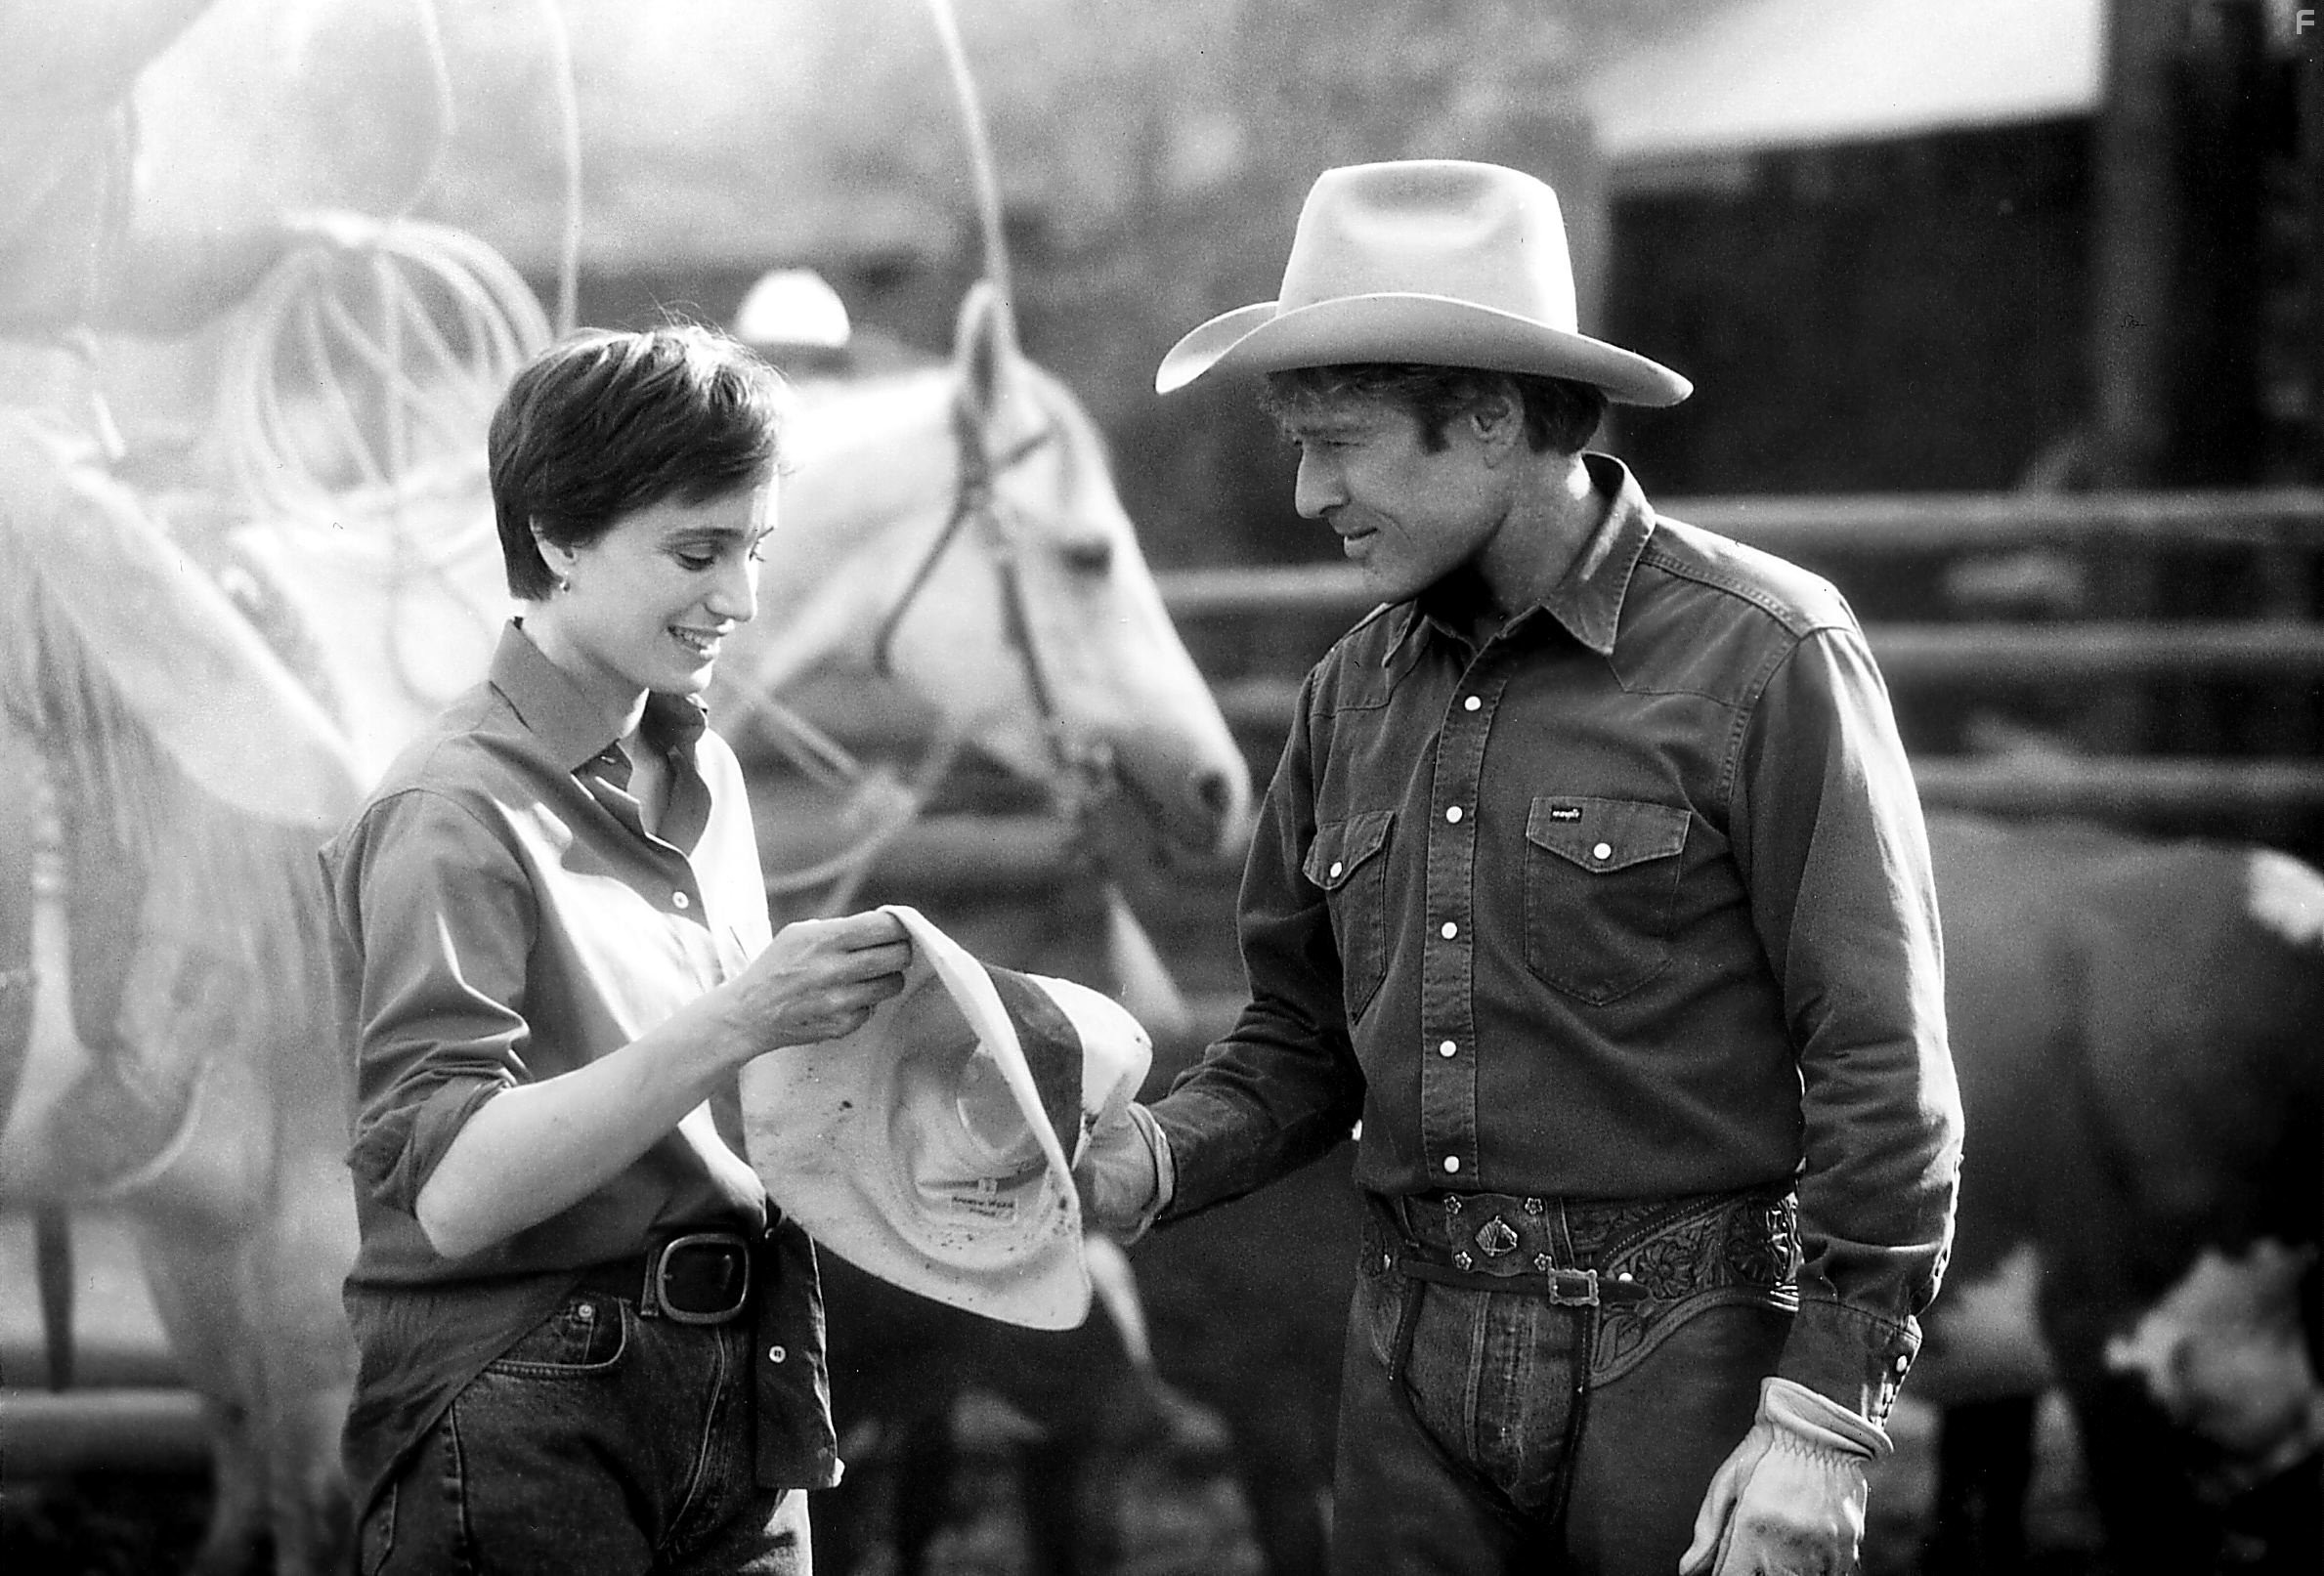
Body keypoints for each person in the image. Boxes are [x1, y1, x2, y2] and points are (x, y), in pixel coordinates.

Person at [1077, 159, 1963, 1575]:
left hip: (1680, 1358)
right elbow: (1296, 1049)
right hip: (1406, 1363)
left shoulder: (1764, 653)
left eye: (1342, 443)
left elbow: (1878, 1058)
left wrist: (1822, 1422)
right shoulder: (1347, 697)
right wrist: (1139, 1160)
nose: (1310, 493)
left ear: (1489, 418)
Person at [322, 322, 914, 1573]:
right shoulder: (450, 810)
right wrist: (743, 1015)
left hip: (744, 1383)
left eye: (752, 549)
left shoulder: (708, 765)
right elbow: (461, 1191)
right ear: (554, 538)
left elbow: (734, 1110)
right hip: (527, 1397)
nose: (739, 598)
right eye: (695, 552)